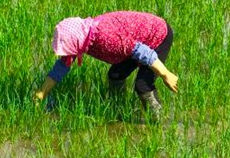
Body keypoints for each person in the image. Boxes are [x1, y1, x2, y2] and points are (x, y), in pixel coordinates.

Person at [34, 11, 178, 118]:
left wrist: (166, 74)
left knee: (142, 85)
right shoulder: (84, 36)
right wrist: (42, 92)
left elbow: (143, 52)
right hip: (136, 40)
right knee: (115, 75)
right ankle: (119, 109)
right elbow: (61, 67)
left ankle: (156, 121)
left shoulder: (105, 38)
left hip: (157, 36)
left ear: (75, 41)